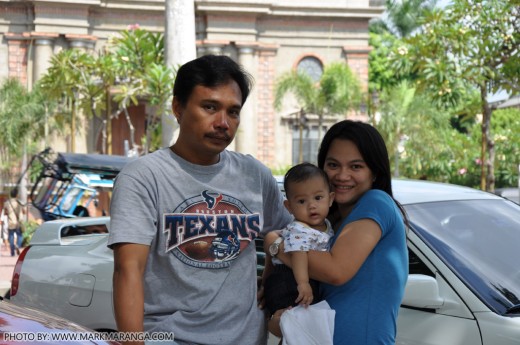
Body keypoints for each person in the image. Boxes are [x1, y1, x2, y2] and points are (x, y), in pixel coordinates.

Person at [108, 54, 292, 345]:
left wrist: (272, 281)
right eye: (210, 107)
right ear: (178, 107)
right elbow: (128, 270)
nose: (223, 123)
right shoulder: (143, 177)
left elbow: (288, 234)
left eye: (233, 112)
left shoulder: (255, 176)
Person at [266, 120, 409, 344]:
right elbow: (283, 321)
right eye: (333, 165)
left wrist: (274, 245)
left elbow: (335, 271)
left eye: (356, 167)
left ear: (374, 172)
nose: (342, 176)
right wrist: (278, 317)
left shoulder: (376, 202)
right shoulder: (327, 227)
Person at [263, 163, 334, 316]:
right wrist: (303, 283)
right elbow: (298, 253)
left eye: (318, 198)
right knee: (298, 320)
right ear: (289, 206)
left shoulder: (326, 225)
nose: (312, 206)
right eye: (302, 201)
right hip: (289, 281)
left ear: (330, 198)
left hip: (302, 279)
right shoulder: (299, 228)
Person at [3, 187, 25, 256]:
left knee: (11, 237)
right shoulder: (20, 202)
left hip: (11, 222)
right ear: (17, 195)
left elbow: (5, 213)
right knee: (20, 236)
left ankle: (12, 253)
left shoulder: (7, 203)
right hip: (19, 222)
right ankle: (18, 245)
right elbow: (24, 211)